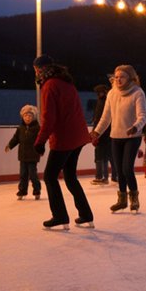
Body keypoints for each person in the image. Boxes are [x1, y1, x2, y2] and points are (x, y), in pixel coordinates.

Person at [31, 55, 94, 230]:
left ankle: (59, 216)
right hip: (78, 136)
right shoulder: (66, 81)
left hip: (65, 138)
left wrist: (40, 141)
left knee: (50, 176)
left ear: (39, 69)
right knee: (70, 176)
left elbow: (48, 118)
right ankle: (86, 214)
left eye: (35, 69)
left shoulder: (49, 85)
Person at [92, 64, 146, 214]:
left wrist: (136, 127)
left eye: (122, 77)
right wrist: (96, 132)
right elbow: (106, 117)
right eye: (116, 77)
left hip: (132, 136)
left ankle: (134, 198)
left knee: (126, 168)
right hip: (115, 137)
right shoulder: (112, 93)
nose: (118, 80)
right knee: (119, 170)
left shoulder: (137, 92)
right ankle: (122, 200)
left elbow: (143, 115)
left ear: (130, 77)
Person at [5, 104, 41, 200]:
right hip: (23, 156)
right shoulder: (20, 128)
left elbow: (41, 140)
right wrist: (10, 145)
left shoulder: (37, 128)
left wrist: (41, 149)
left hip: (33, 156)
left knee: (33, 175)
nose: (27, 118)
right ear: (22, 116)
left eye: (30, 116)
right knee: (23, 175)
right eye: (25, 116)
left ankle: (37, 191)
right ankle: (22, 191)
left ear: (33, 117)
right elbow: (16, 139)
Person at [90, 84, 113, 185]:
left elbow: (100, 119)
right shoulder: (105, 101)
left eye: (99, 92)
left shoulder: (102, 102)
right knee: (105, 156)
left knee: (100, 156)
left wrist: (96, 131)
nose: (98, 94)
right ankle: (105, 177)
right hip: (105, 133)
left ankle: (101, 177)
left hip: (102, 133)